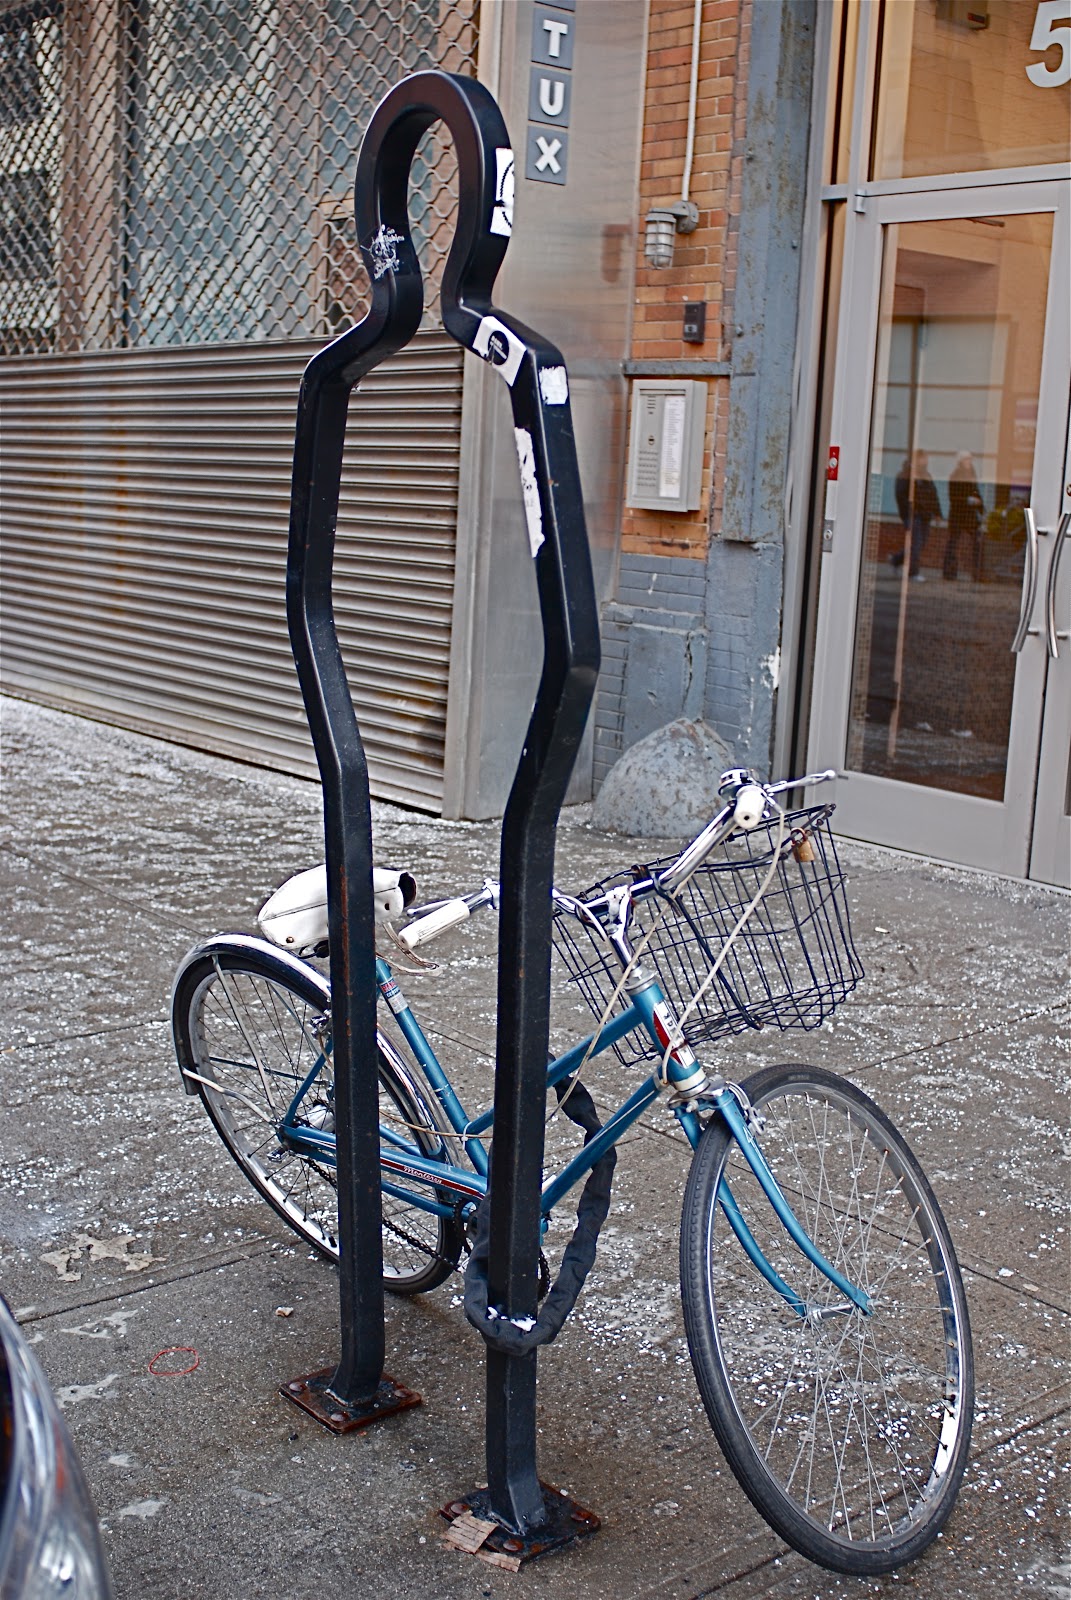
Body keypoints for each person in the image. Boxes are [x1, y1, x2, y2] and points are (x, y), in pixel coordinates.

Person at [892, 450, 943, 580]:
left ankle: (896, 559)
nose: (926, 462)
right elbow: (901, 496)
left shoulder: (926, 475)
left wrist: (937, 513)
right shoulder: (905, 475)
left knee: (920, 543)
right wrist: (909, 511)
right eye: (923, 459)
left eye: (926, 459)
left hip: (925, 515)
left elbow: (933, 495)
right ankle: (913, 572)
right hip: (913, 515)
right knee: (916, 543)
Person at [944, 451, 984, 581]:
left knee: (977, 542)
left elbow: (976, 492)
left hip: (970, 516)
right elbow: (953, 497)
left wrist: (981, 507)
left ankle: (977, 573)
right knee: (953, 544)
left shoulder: (971, 474)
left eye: (970, 460)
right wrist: (968, 500)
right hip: (958, 515)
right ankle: (949, 572)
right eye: (967, 460)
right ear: (961, 461)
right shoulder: (955, 476)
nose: (969, 462)